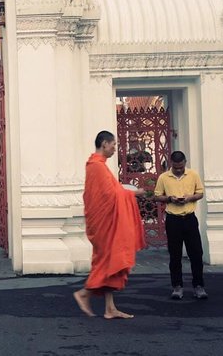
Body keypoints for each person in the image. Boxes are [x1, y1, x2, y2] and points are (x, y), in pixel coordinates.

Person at [73, 131, 146, 319]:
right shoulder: (97, 166)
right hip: (104, 223)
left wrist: (127, 193)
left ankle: (110, 308)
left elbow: (112, 191)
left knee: (111, 262)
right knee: (108, 261)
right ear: (104, 144)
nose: (115, 149)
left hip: (106, 221)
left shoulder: (99, 165)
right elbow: (110, 196)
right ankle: (84, 293)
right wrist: (134, 194)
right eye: (113, 145)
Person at [153, 151, 207, 300]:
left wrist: (190, 198)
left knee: (196, 254)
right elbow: (157, 196)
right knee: (175, 255)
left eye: (181, 167)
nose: (178, 170)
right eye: (176, 167)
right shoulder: (163, 177)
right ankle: (177, 286)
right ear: (171, 163)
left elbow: (200, 193)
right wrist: (170, 199)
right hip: (173, 220)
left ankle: (199, 286)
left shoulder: (193, 175)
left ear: (185, 163)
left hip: (189, 218)